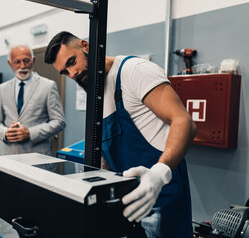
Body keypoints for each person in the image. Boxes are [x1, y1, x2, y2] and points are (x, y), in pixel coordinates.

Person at [44, 31, 197, 238]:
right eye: (65, 72)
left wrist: (159, 175)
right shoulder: (95, 91)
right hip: (127, 201)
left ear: (85, 46)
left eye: (72, 62)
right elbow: (107, 149)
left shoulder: (135, 71)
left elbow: (184, 121)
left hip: (161, 194)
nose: (72, 73)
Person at [0, 44, 65, 156]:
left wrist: (30, 133)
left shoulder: (48, 86)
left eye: (26, 61)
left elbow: (59, 121)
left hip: (38, 157)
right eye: (17, 62)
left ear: (33, 60)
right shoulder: (3, 88)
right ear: (10, 64)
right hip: (10, 157)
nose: (23, 66)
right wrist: (5, 133)